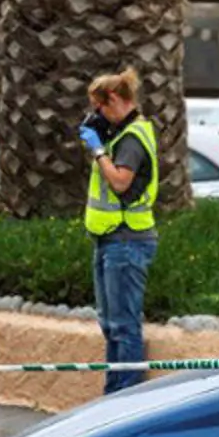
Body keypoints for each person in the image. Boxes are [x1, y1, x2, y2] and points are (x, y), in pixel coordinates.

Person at [78, 66, 159, 395]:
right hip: (109, 239)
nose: (96, 115)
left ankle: (124, 397)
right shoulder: (120, 136)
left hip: (127, 241)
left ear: (113, 99)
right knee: (111, 326)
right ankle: (112, 393)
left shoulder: (132, 138)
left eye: (98, 108)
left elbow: (121, 181)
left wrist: (98, 150)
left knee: (124, 328)